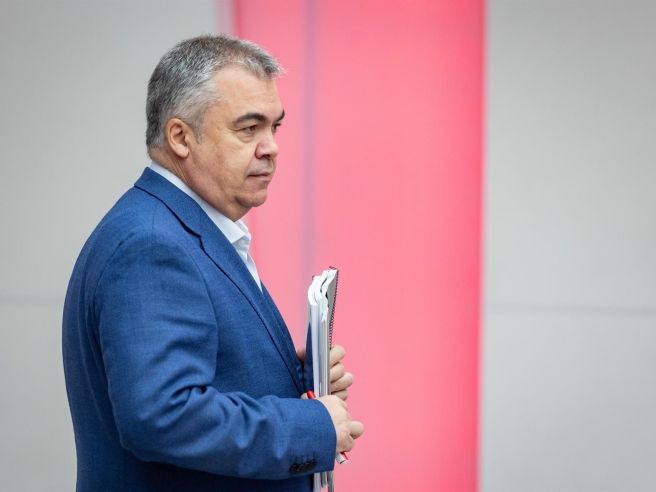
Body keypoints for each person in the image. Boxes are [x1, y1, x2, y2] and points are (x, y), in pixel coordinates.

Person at [62, 34, 364, 492]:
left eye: (274, 127)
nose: (271, 147)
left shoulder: (183, 228)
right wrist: (310, 426)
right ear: (181, 137)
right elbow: (164, 415)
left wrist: (297, 380)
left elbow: (199, 383)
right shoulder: (152, 244)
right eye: (249, 128)